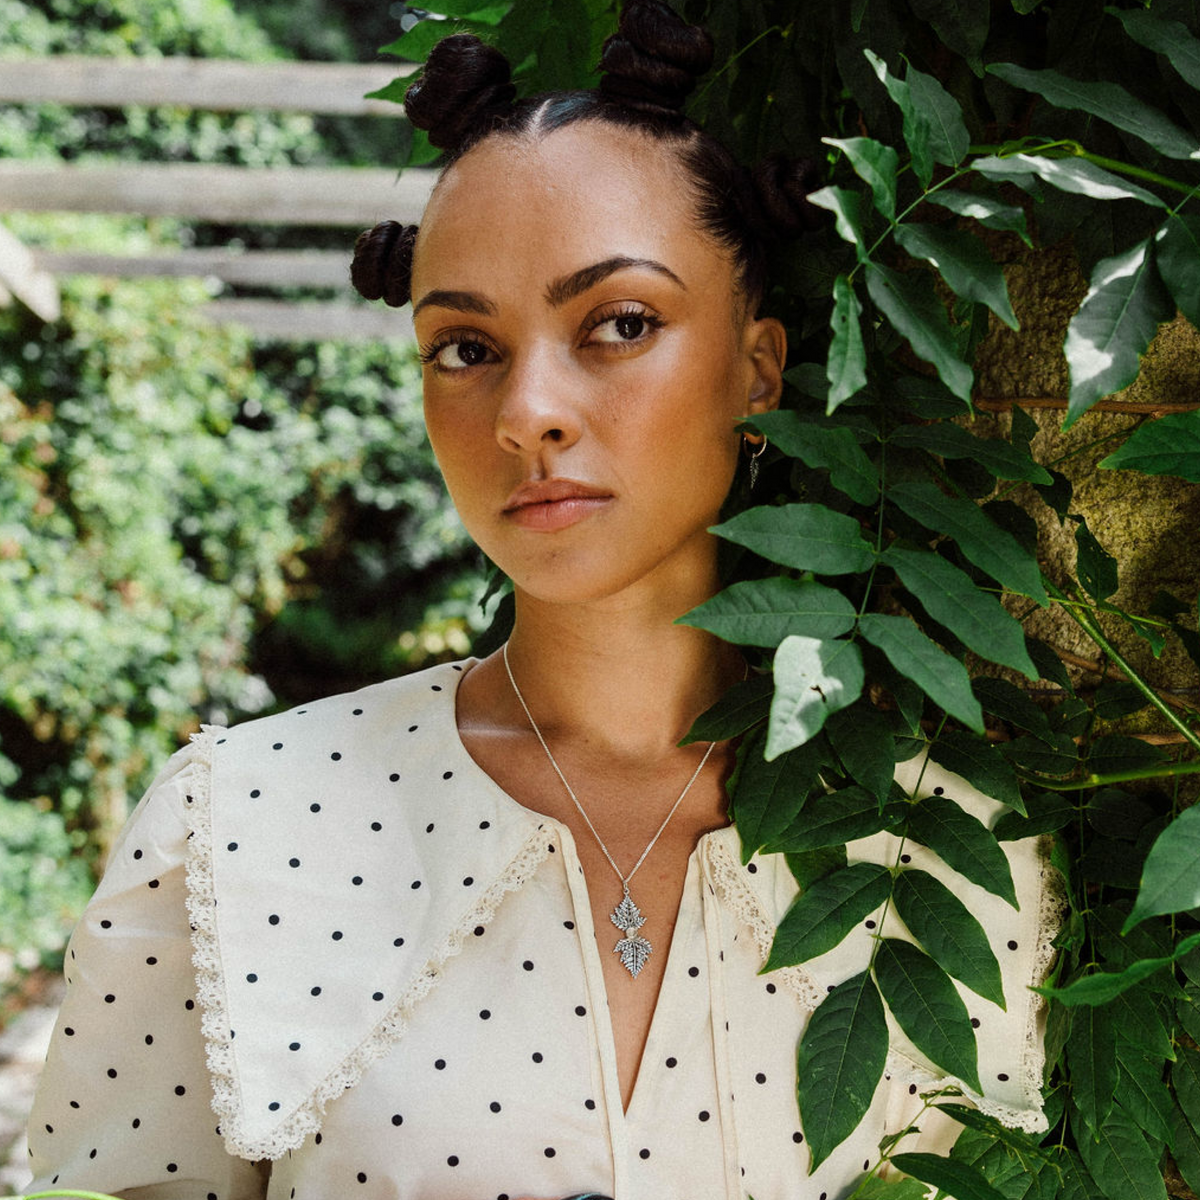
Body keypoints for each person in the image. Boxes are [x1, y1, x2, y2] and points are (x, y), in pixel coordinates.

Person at [25, 4, 1061, 1198]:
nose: (528, 412)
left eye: (620, 324)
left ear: (759, 366)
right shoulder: (238, 824)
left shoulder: (953, 841)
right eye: (465, 347)